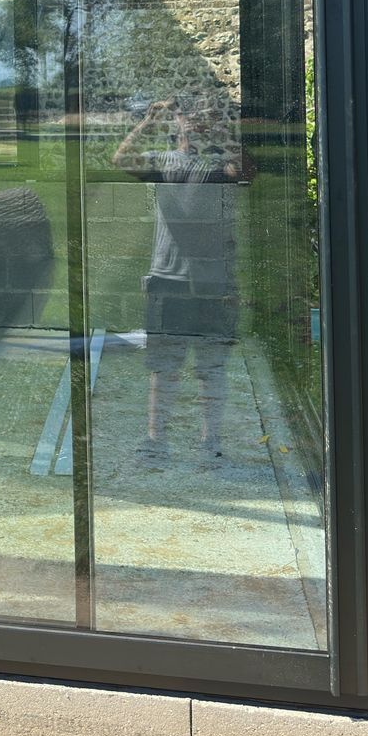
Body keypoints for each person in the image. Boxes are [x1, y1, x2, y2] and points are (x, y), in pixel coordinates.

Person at [113, 95, 241, 463]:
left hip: (212, 282)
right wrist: (150, 120)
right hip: (166, 279)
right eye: (188, 113)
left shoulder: (220, 165)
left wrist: (219, 130)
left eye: (205, 114)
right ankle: (156, 440)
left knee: (211, 366)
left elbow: (246, 170)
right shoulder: (163, 161)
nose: (194, 121)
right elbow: (121, 160)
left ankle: (210, 442)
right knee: (164, 366)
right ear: (177, 120)